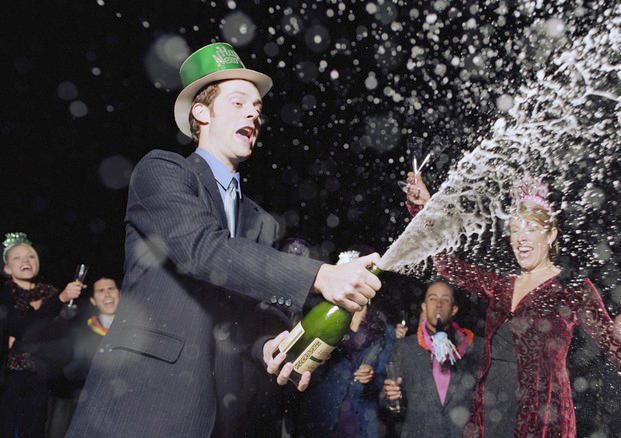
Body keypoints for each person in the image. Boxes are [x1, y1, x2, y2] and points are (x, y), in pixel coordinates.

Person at [66, 43, 381, 438]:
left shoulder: (262, 221)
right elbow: (203, 250)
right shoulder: (162, 172)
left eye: (257, 107)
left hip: (224, 415)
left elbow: (244, 313)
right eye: (237, 103)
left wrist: (267, 344)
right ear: (201, 113)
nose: (254, 113)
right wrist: (321, 275)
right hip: (140, 404)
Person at [404, 172, 621, 437]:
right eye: (515, 230)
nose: (521, 238)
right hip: (489, 414)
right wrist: (425, 209)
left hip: (541, 420)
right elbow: (448, 265)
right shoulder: (503, 286)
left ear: (551, 235)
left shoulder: (574, 291)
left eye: (531, 228)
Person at [0, 232, 84, 438]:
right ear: (7, 268)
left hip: (43, 378)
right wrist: (57, 303)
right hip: (8, 381)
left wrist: (57, 310)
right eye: (17, 257)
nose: (26, 260)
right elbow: (22, 328)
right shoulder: (5, 295)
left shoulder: (50, 293)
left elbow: (61, 333)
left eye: (31, 256)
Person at [381, 281, 483, 438]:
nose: (439, 304)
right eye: (432, 298)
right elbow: (387, 400)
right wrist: (390, 396)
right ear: (424, 307)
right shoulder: (404, 348)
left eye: (445, 299)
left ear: (454, 309)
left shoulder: (473, 347)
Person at [295, 305, 395, 438]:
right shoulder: (327, 317)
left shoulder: (384, 329)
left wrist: (372, 376)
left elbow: (383, 382)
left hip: (362, 419)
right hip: (322, 413)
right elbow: (304, 373)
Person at [47, 276, 122, 438]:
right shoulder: (79, 330)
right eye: (101, 291)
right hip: (77, 404)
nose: (108, 295)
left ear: (120, 295)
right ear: (93, 301)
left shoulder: (134, 333)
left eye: (111, 289)